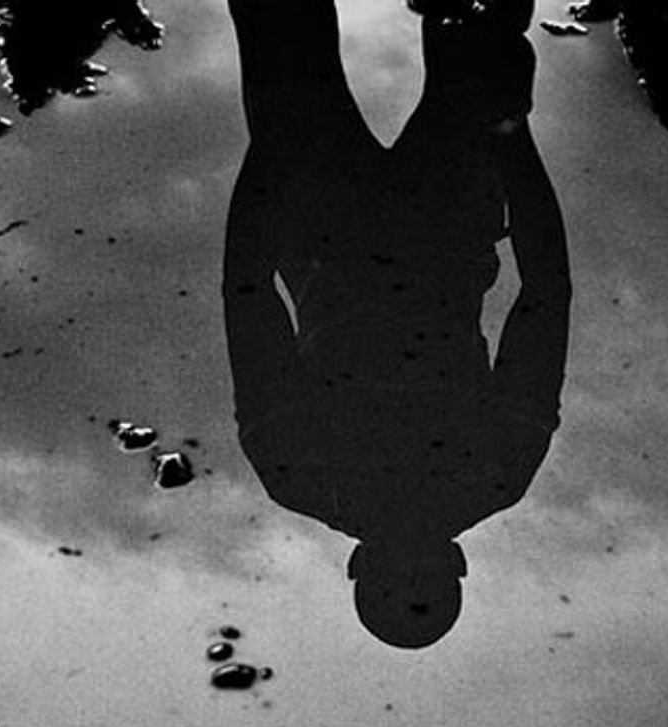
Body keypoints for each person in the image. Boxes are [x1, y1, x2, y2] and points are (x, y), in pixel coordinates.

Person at [224, 0, 571, 648]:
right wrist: (269, 153)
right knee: (461, 25)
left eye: (398, 574)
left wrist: (511, 136)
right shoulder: (297, 473)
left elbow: (546, 294)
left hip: (427, 227)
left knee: (472, 25)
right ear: (356, 566)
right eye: (422, 574)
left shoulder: (495, 472)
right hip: (344, 226)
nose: (410, 555)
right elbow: (247, 292)